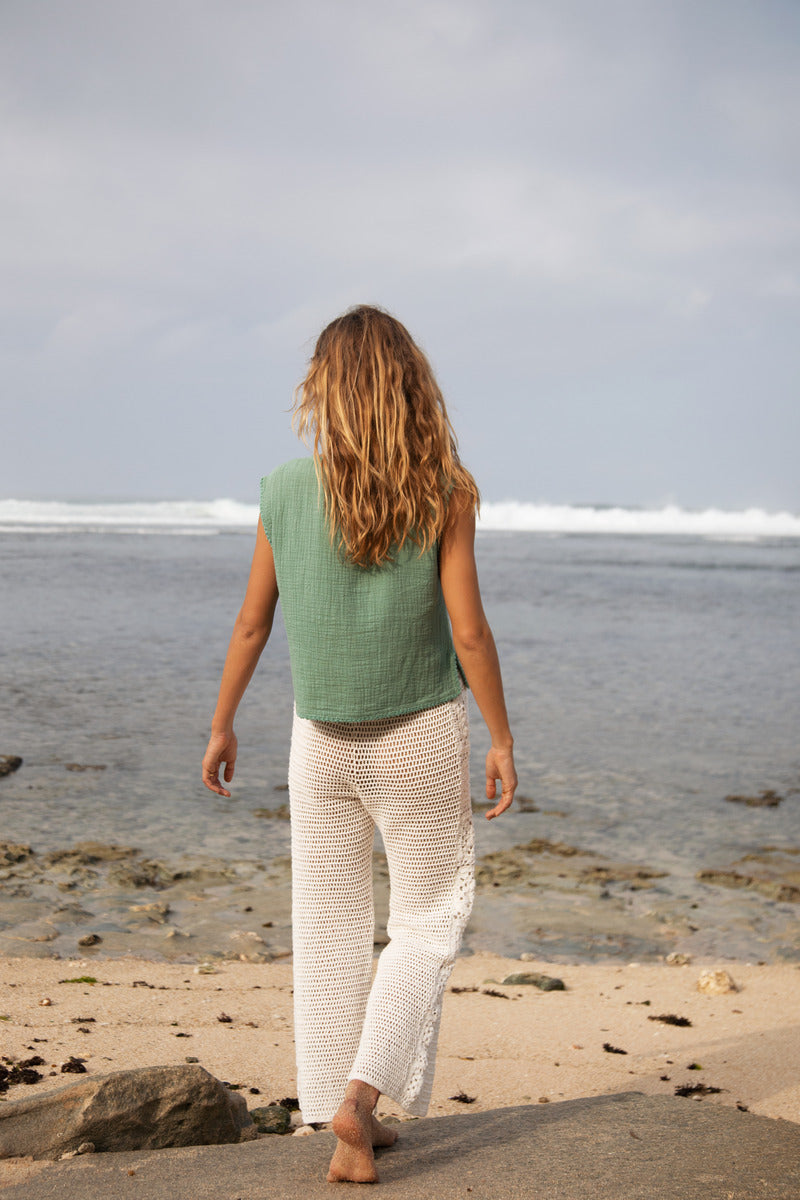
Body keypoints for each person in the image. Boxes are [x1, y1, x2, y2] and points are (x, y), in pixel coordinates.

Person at [202, 305, 517, 1184]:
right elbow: (470, 633)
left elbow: (251, 622)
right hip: (418, 732)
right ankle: (361, 1100)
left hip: (319, 739)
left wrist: (224, 722)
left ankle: (330, 1114)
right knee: (429, 918)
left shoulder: (282, 489)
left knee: (331, 926)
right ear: (411, 388)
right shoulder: (447, 489)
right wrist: (499, 734)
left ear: (325, 391)